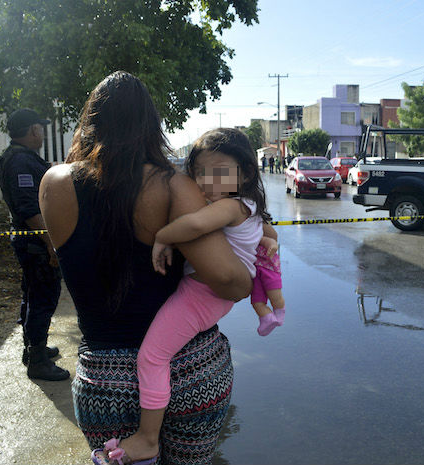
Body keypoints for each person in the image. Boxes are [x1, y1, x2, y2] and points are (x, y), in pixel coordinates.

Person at [38, 71, 252, 464]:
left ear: (90, 121)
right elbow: (230, 282)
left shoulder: (54, 183)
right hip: (189, 370)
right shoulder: (174, 186)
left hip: (104, 380)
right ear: (152, 127)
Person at [92, 127, 285, 465]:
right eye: (200, 173)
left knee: (152, 357)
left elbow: (195, 226)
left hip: (202, 294)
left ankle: (148, 439)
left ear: (246, 173)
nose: (208, 181)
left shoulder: (228, 206)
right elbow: (266, 228)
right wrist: (270, 240)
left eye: (220, 172)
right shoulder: (246, 204)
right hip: (211, 294)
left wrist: (163, 236)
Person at [0, 108, 69, 381]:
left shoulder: (18, 158)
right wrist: (50, 244)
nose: (42, 132)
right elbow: (29, 209)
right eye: (40, 127)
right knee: (43, 298)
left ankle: (33, 349)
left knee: (33, 295)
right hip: (35, 243)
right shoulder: (20, 162)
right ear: (33, 130)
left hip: (29, 241)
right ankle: (37, 361)